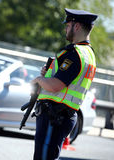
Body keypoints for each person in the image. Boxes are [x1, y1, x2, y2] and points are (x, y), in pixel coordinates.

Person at [31, 8, 98, 160]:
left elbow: (56, 85)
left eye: (68, 25)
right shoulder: (88, 53)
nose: (65, 28)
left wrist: (39, 80)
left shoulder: (75, 53)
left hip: (55, 115)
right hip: (62, 114)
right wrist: (47, 74)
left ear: (77, 26)